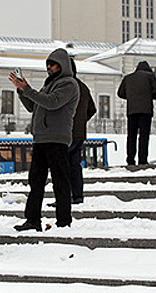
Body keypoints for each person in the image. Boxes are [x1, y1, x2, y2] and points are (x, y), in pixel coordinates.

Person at [9, 48, 79, 231]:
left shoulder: (69, 84)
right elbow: (34, 106)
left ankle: (64, 221)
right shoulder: (48, 85)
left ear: (62, 65)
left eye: (52, 64)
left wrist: (28, 89)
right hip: (41, 138)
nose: (49, 67)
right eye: (47, 63)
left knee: (60, 181)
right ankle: (32, 219)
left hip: (56, 139)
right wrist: (22, 91)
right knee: (36, 181)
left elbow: (52, 102)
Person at [117, 61, 156, 165]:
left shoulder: (128, 78)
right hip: (146, 111)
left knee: (131, 135)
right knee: (144, 136)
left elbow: (120, 93)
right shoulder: (150, 77)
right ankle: (142, 159)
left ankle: (130, 158)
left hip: (132, 111)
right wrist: (150, 97)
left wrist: (131, 97)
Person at [65, 58, 96, 204]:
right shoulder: (83, 87)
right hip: (79, 134)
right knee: (75, 166)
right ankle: (77, 195)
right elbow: (92, 109)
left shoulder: (64, 85)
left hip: (64, 133)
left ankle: (64, 197)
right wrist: (82, 121)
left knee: (62, 167)